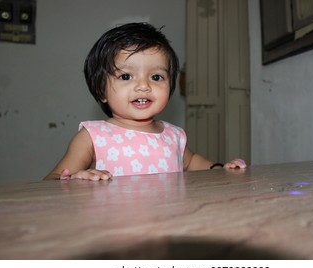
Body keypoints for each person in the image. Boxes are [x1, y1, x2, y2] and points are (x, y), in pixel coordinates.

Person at [44, 22, 246, 181]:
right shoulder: (92, 136)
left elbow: (191, 161)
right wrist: (74, 180)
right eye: (126, 76)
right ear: (101, 90)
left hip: (167, 225)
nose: (143, 86)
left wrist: (219, 169)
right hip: (113, 228)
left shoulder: (173, 135)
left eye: (156, 77)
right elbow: (51, 181)